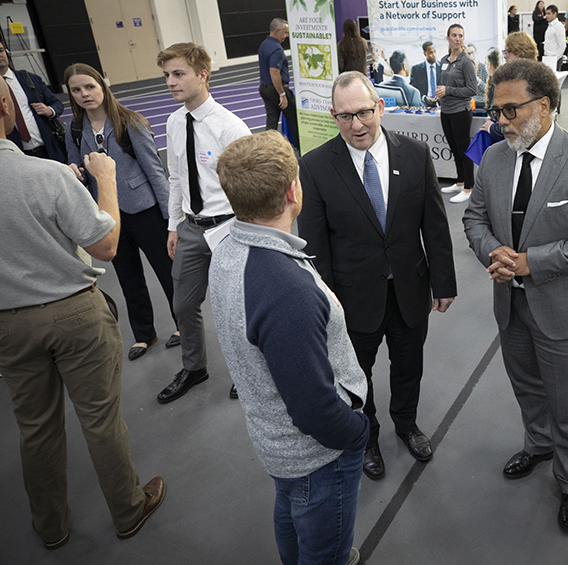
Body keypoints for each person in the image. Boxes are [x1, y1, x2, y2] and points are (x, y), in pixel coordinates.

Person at [0, 79, 165, 549]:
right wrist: (106, 180)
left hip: (8, 325)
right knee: (100, 418)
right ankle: (129, 510)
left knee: (34, 428)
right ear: (7, 105)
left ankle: (50, 525)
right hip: (72, 315)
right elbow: (107, 244)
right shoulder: (44, 175)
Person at [462, 59, 568, 531]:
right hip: (511, 304)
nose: (501, 121)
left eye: (511, 111)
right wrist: (497, 255)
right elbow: (474, 220)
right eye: (496, 111)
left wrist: (531, 262)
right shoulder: (493, 158)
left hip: (565, 308)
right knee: (528, 388)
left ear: (545, 105)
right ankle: (538, 444)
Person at [210, 131, 369, 565]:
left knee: (290, 508)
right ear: (293, 191)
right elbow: (314, 408)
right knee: (325, 548)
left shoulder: (228, 248)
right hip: (317, 454)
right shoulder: (285, 290)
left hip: (276, 441)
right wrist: (357, 434)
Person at [297, 71, 457, 481]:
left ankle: (406, 424)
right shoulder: (314, 167)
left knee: (409, 364)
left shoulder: (416, 155)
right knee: (356, 375)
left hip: (409, 289)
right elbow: (315, 244)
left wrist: (444, 282)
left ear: (380, 108)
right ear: (334, 116)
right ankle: (367, 437)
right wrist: (326, 301)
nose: (357, 125)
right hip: (352, 299)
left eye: (364, 113)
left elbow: (434, 226)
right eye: (345, 116)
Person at [156, 42, 251, 404]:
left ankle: (248, 371)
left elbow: (249, 187)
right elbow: (177, 178)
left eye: (178, 74)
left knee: (235, 307)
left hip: (229, 227)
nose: (170, 82)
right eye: (167, 75)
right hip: (192, 228)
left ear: (202, 75)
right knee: (183, 303)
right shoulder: (174, 121)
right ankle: (194, 367)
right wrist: (173, 225)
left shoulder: (230, 126)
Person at [63, 63, 178, 361]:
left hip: (144, 209)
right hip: (108, 215)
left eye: (89, 86)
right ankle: (144, 334)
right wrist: (75, 171)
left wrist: (170, 220)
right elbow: (77, 166)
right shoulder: (74, 129)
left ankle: (184, 326)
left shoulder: (130, 122)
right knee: (128, 278)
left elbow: (156, 172)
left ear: (102, 86)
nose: (84, 94)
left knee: (166, 273)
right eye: (76, 90)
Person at [0, 40, 65, 162]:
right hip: (18, 157)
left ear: (6, 52)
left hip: (49, 151)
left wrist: (49, 110)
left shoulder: (29, 79)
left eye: (1, 51)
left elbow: (57, 104)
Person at [436, 23, 478, 203]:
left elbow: (472, 89)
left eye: (460, 35)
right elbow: (443, 85)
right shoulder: (444, 60)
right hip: (445, 111)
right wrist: (437, 96)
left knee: (463, 151)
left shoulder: (466, 62)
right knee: (454, 149)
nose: (457, 38)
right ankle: (460, 182)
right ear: (448, 38)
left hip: (461, 111)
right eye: (454, 35)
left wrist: (449, 90)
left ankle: (469, 188)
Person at [258, 18, 299, 147]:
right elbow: (274, 73)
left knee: (271, 123)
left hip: (264, 88)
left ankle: (267, 148)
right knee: (293, 121)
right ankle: (300, 148)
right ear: (277, 31)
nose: (286, 36)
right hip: (277, 90)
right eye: (285, 33)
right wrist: (282, 94)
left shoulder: (263, 44)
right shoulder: (277, 49)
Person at [410, 41, 441, 106]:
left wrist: (442, 95)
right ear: (424, 53)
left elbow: (448, 84)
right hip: (424, 103)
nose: (434, 55)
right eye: (430, 52)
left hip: (441, 102)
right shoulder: (416, 69)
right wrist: (424, 98)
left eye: (434, 51)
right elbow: (413, 88)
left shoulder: (442, 67)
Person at [543, 5, 566, 70]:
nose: (546, 15)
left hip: (554, 59)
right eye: (546, 13)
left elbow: (562, 45)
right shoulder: (549, 26)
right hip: (547, 57)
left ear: (555, 13)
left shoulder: (559, 26)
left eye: (548, 13)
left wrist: (555, 59)